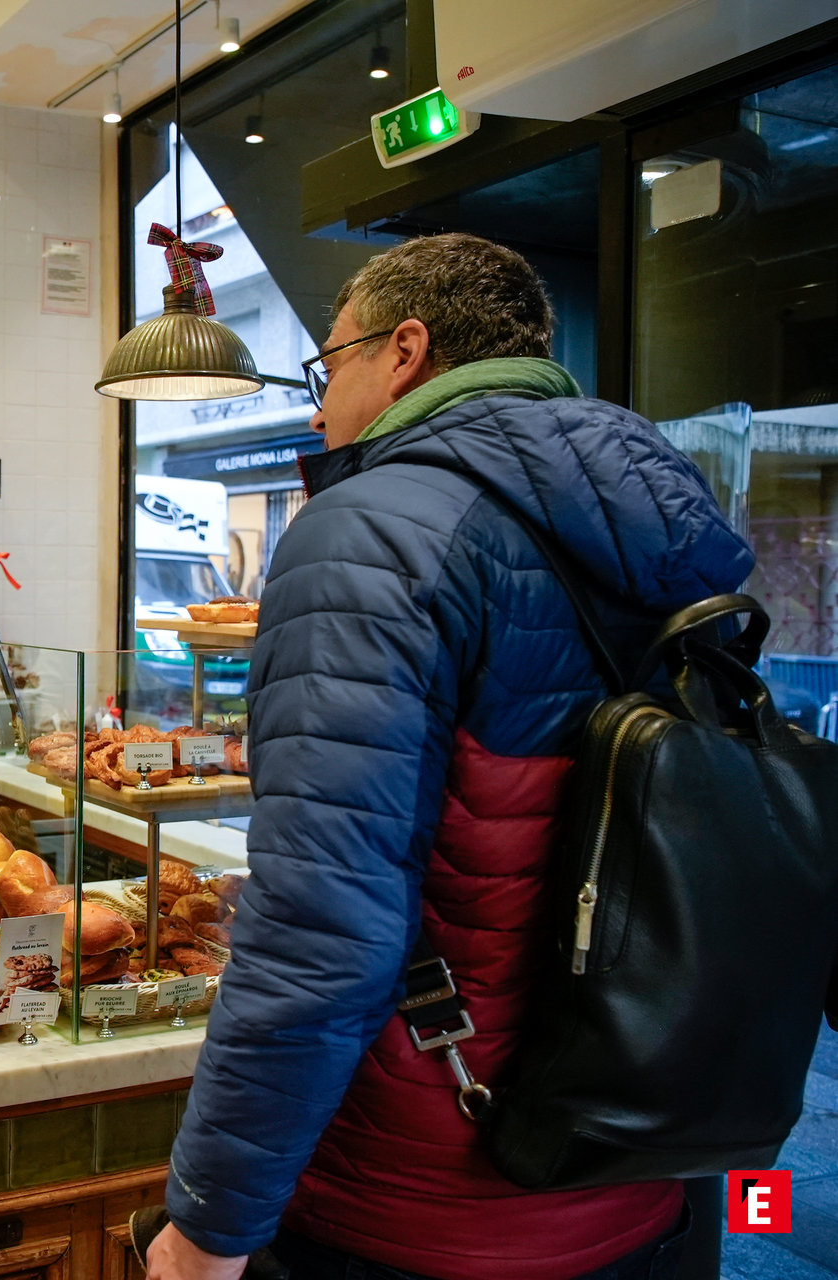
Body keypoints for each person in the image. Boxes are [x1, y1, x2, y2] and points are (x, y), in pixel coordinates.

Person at [145, 234, 752, 1280]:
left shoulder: (367, 532)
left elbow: (322, 927)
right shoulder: (673, 515)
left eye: (328, 365)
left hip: (428, 1189)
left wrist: (209, 1225)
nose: (316, 409)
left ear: (405, 351)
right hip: (643, 1165)